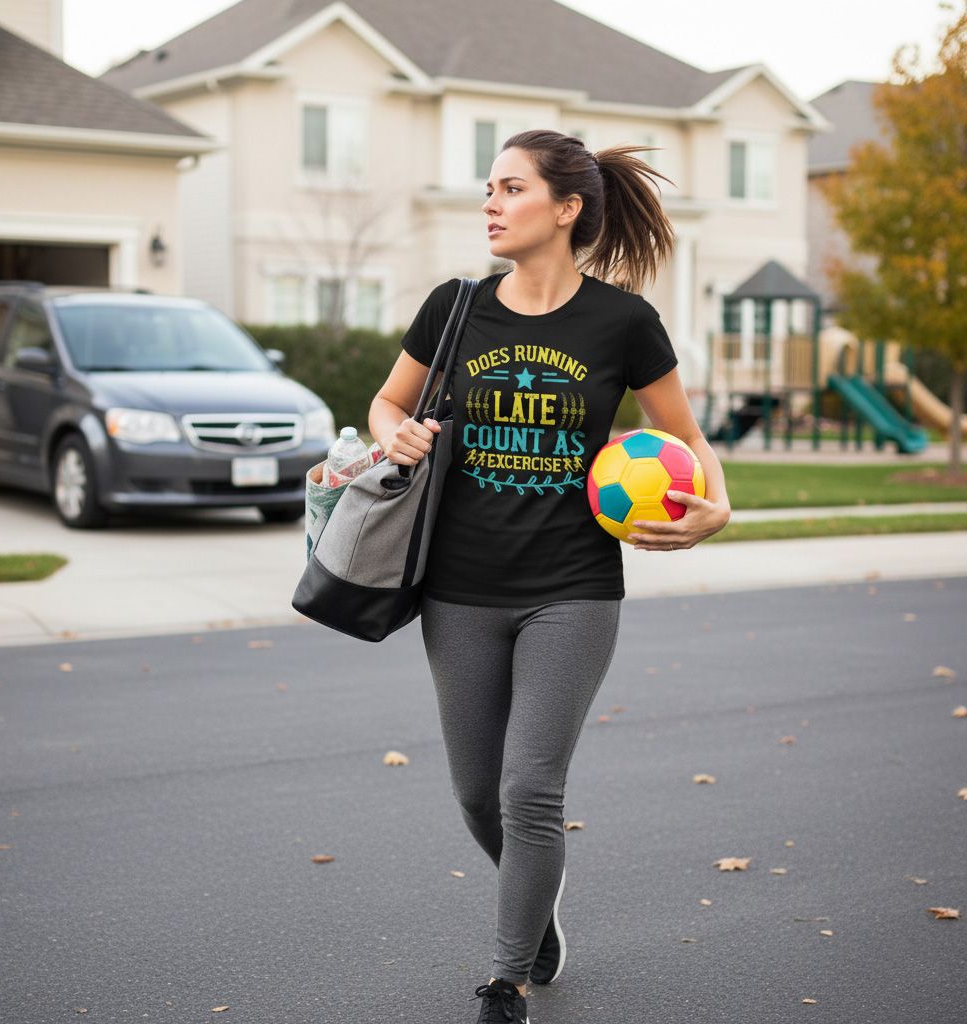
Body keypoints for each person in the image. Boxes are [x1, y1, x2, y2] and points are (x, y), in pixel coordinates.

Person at [368, 129, 731, 1023]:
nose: (490, 203)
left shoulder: (623, 322)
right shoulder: (455, 308)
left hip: (572, 589)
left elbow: (686, 436)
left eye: (511, 188)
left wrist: (717, 505)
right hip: (457, 588)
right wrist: (395, 434)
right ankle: (537, 913)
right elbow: (387, 402)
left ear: (566, 209)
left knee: (529, 790)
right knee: (475, 795)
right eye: (489, 188)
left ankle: (506, 982)